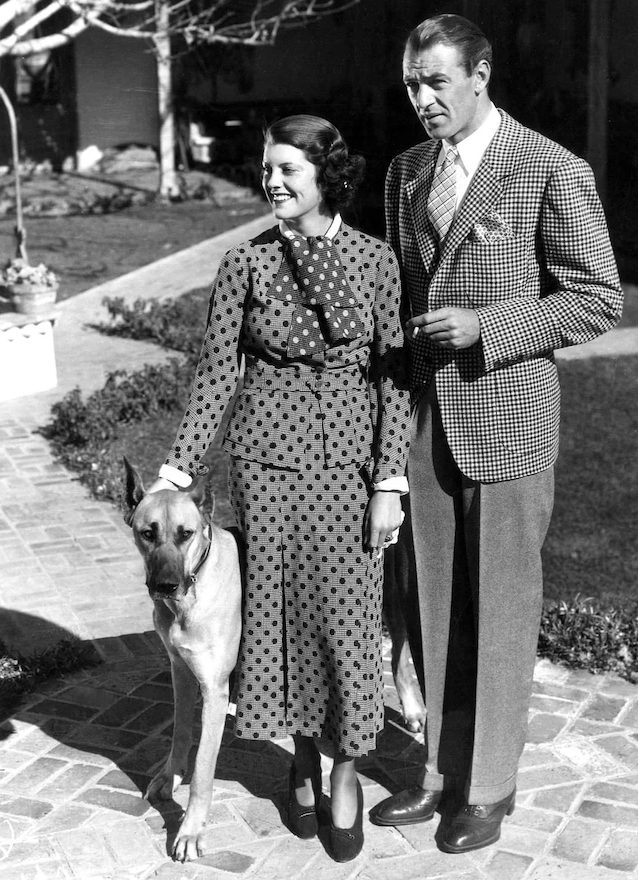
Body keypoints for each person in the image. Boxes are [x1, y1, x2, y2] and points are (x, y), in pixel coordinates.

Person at [369, 14, 623, 854]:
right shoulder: (406, 172)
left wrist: (490, 324)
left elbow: (597, 298)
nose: (423, 99)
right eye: (413, 84)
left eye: (437, 82)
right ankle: (438, 772)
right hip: (426, 422)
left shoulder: (550, 167)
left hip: (510, 420)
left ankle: (489, 788)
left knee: (502, 607)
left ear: (480, 74)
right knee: (432, 601)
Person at [148, 114, 410, 862]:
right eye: (267, 168)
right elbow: (216, 375)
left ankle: (347, 768)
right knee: (276, 620)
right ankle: (300, 760)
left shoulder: (373, 260)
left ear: (326, 174)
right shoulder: (245, 263)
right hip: (263, 471)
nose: (272, 181)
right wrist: (180, 466)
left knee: (346, 621)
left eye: (287, 169)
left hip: (347, 470)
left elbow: (396, 378)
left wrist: (389, 480)